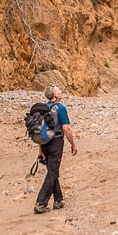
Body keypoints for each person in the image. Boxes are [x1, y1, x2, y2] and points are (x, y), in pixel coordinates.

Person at [34, 85, 77, 214]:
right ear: (55, 95)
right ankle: (41, 203)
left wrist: (40, 150)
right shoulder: (61, 108)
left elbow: (40, 131)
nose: (60, 91)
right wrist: (73, 144)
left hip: (45, 143)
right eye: (58, 90)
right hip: (56, 142)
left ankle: (58, 200)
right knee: (52, 173)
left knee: (52, 171)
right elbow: (66, 128)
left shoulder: (43, 109)